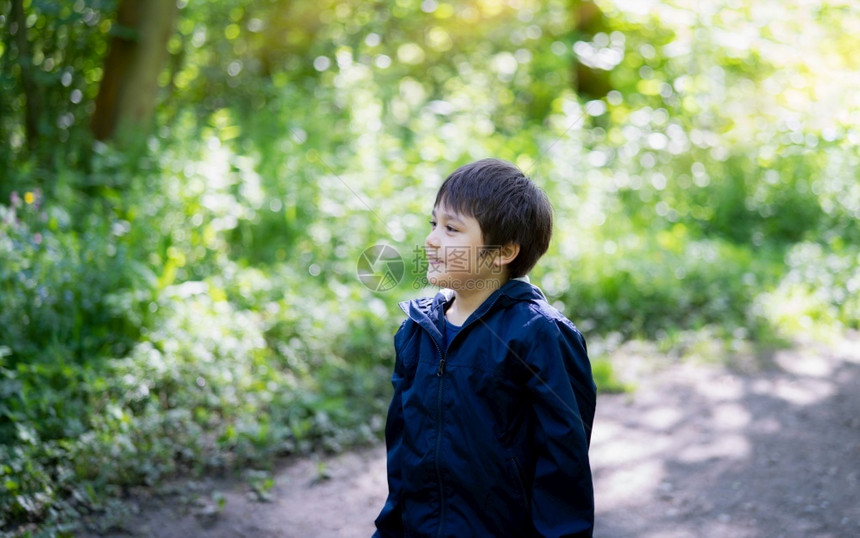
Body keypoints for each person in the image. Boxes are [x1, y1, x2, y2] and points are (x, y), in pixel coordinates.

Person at [373, 159, 597, 537]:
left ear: (503, 251)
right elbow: (403, 453)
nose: (431, 240)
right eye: (434, 224)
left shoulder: (538, 334)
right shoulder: (417, 329)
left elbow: (564, 468)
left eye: (451, 229)